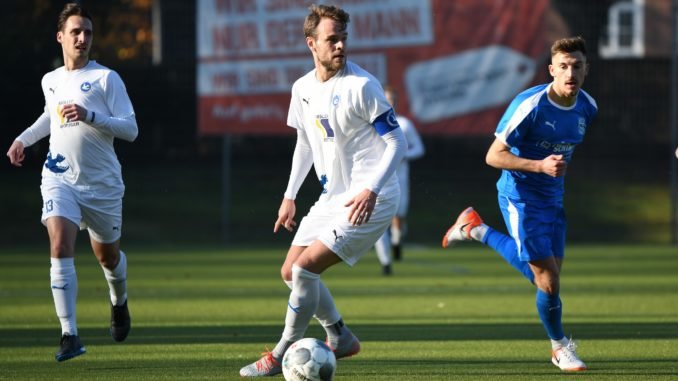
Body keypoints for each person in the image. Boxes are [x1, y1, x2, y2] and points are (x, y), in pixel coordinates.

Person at [239, 4, 406, 377]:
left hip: (371, 198)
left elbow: (398, 144)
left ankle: (281, 353)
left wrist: (372, 190)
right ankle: (340, 336)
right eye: (332, 39)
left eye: (344, 39)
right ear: (311, 43)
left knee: (303, 270)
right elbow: (304, 142)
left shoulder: (362, 86)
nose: (341, 46)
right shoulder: (302, 88)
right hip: (333, 197)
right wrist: (289, 195)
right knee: (289, 271)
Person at [442, 36, 596, 372]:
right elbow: (493, 155)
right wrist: (540, 166)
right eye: (564, 66)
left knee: (547, 279)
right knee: (548, 281)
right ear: (551, 70)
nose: (571, 73)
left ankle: (475, 229)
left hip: (553, 198)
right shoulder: (530, 105)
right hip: (520, 197)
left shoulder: (588, 107)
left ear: (586, 69)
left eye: (577, 66)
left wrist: (551, 174)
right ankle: (559, 348)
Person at [6, 3, 138, 362]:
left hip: (102, 186)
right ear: (60, 37)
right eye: (76, 32)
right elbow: (49, 117)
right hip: (59, 177)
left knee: (107, 258)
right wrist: (22, 140)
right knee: (60, 244)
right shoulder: (51, 80)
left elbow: (131, 129)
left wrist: (91, 115)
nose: (83, 38)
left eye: (88, 33)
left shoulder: (106, 79)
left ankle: (119, 300)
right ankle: (69, 335)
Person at [374, 85, 425, 275]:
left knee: (398, 218)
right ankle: (386, 263)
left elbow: (419, 148)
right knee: (378, 221)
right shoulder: (370, 122)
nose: (390, 102)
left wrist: (403, 155)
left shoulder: (403, 124)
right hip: (377, 179)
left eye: (393, 98)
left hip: (400, 178)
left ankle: (396, 243)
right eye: (387, 98)